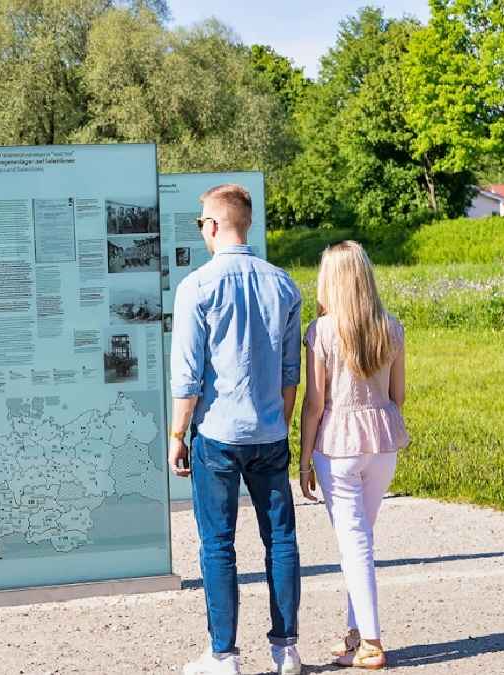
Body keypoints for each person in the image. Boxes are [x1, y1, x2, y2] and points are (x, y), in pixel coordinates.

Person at [168, 184, 303, 675]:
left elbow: (188, 373)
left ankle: (224, 653)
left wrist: (177, 434)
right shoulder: (284, 285)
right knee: (281, 540)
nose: (202, 227)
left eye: (203, 220)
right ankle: (286, 648)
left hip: (218, 434)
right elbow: (292, 372)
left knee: (218, 544)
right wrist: (279, 423)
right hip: (269, 431)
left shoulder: (197, 287)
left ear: (216, 225)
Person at [299, 241, 408, 670]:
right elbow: (398, 395)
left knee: (354, 542)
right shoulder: (391, 327)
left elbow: (314, 402)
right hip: (382, 442)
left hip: (337, 444)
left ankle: (372, 642)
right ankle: (355, 634)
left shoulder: (322, 331)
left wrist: (304, 457)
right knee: (360, 539)